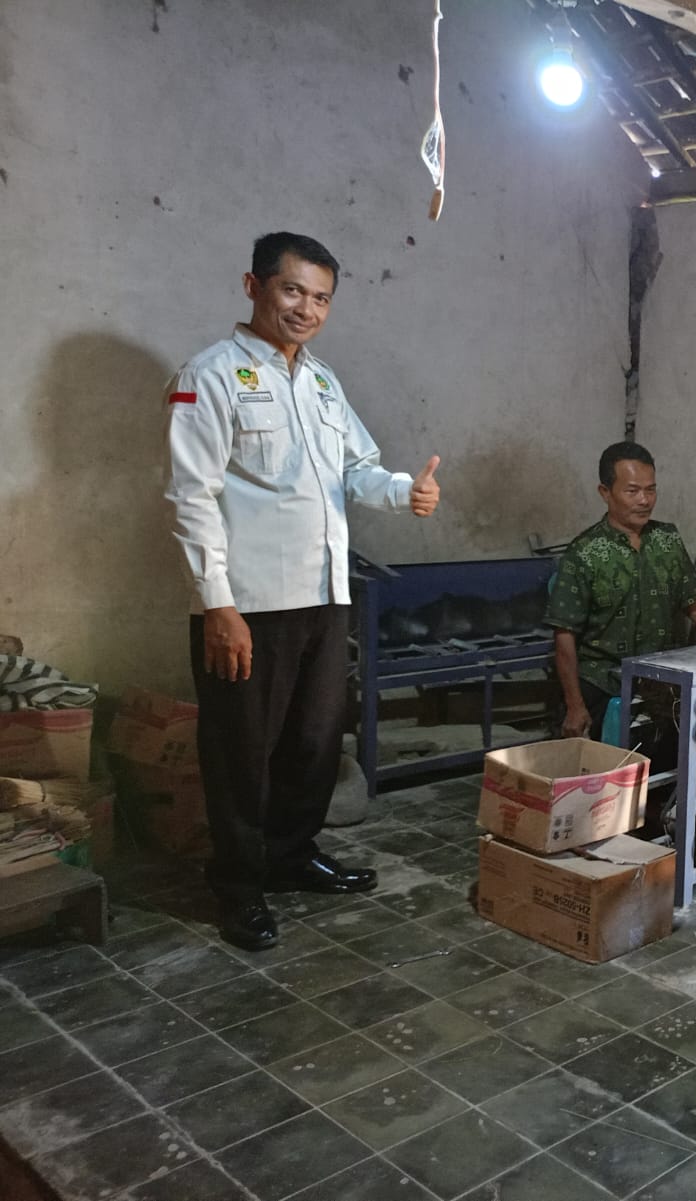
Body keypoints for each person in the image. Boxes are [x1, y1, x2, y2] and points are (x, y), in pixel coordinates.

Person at [165, 231, 442, 952]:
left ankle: (290, 855)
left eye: (321, 298)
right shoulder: (211, 376)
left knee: (314, 743)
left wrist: (404, 491)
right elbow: (192, 497)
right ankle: (237, 886)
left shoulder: (321, 382)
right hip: (248, 605)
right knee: (240, 751)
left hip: (324, 596)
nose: (306, 309)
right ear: (253, 286)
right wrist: (217, 604)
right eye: (292, 290)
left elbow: (355, 469)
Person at [547, 442, 696, 741]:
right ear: (605, 492)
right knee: (607, 765)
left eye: (651, 490)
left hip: (661, 680)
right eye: (632, 491)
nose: (644, 500)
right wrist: (575, 705)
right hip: (603, 683)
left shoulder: (666, 540)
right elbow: (564, 635)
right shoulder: (584, 553)